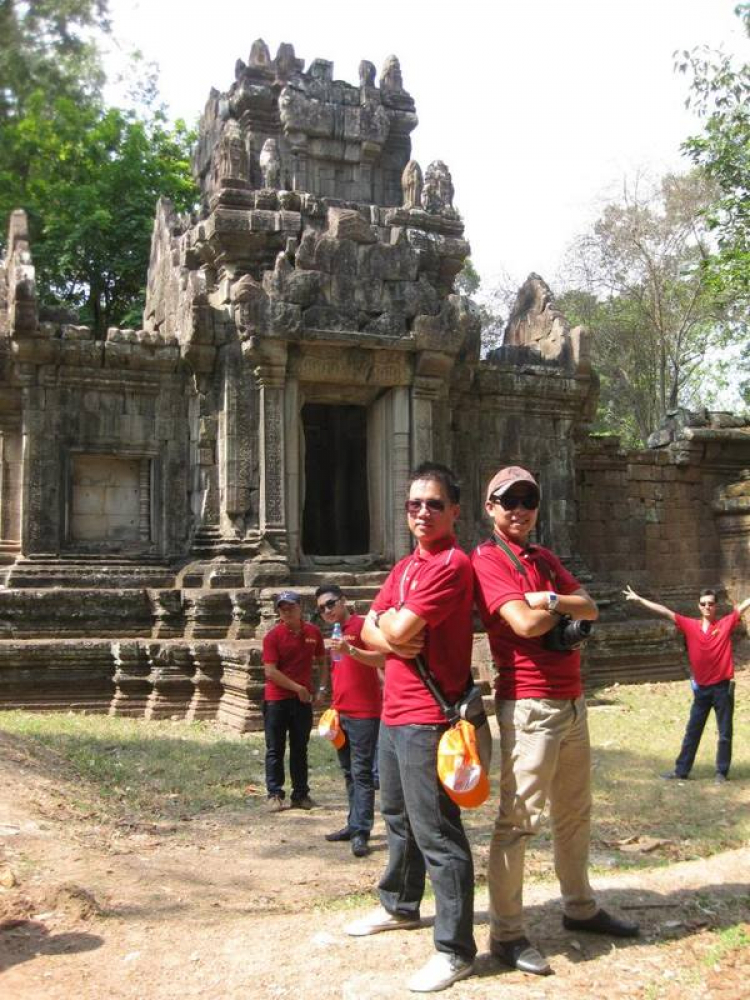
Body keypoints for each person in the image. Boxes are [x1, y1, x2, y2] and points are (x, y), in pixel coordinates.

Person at [471, 465, 638, 978]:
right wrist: (554, 607)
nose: (519, 509)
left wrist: (545, 599)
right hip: (528, 704)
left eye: (528, 500)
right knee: (519, 821)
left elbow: (590, 609)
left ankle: (580, 907)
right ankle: (506, 933)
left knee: (574, 813)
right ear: (489, 508)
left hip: (572, 701)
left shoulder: (543, 559)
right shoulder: (487, 558)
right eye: (508, 500)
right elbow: (520, 624)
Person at [345, 462, 477, 994]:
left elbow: (390, 627)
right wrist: (388, 629)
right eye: (414, 504)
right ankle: (400, 905)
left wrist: (389, 628)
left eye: (434, 504)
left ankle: (455, 949)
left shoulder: (452, 564)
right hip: (392, 712)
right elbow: (368, 629)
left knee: (438, 832)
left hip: (428, 716)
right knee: (397, 819)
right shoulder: (404, 568)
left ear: (455, 512)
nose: (422, 512)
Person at [623, 585, 750, 782]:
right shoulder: (690, 625)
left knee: (724, 733)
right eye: (704, 604)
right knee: (692, 732)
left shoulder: (725, 624)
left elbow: (743, 606)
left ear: (716, 607)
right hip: (702, 691)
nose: (707, 607)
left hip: (722, 689)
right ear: (699, 606)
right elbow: (665, 611)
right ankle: (681, 771)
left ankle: (721, 773)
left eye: (711, 604)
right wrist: (639, 600)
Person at [315, 583, 384, 858]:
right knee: (349, 772)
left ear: (344, 601)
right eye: (321, 609)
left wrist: (352, 650)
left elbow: (383, 658)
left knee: (362, 773)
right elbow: (338, 671)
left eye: (331, 603)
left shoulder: (363, 627)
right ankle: (353, 823)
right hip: (341, 712)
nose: (327, 610)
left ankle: (361, 832)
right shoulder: (336, 633)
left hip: (365, 713)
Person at [262, 590, 325, 811]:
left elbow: (322, 660)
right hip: (277, 699)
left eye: (291, 607)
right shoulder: (273, 636)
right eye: (282, 608)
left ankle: (300, 794)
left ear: (301, 608)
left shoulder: (313, 632)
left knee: (300, 748)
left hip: (302, 700)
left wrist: (321, 688)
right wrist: (298, 688)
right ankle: (274, 793)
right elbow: (270, 671)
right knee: (275, 748)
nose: (287, 611)